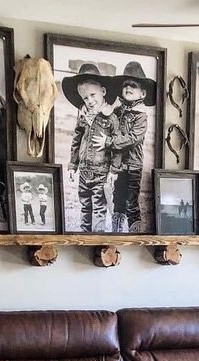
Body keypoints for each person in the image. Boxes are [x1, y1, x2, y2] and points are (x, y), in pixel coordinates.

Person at [62, 63, 118, 233]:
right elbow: (76, 141)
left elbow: (117, 147)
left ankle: (98, 238)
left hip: (101, 173)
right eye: (85, 98)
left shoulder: (111, 118)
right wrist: (73, 166)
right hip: (84, 172)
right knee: (85, 205)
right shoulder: (83, 117)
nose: (90, 100)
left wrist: (113, 171)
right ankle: (84, 235)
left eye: (93, 95)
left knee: (99, 207)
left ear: (103, 91)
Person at [104, 62, 157, 233]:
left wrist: (110, 142)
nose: (128, 88)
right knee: (117, 199)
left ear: (143, 93)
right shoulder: (118, 111)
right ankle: (117, 232)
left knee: (131, 201)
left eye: (133, 85)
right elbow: (109, 126)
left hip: (133, 165)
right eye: (125, 84)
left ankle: (134, 234)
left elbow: (134, 138)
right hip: (117, 165)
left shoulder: (141, 116)